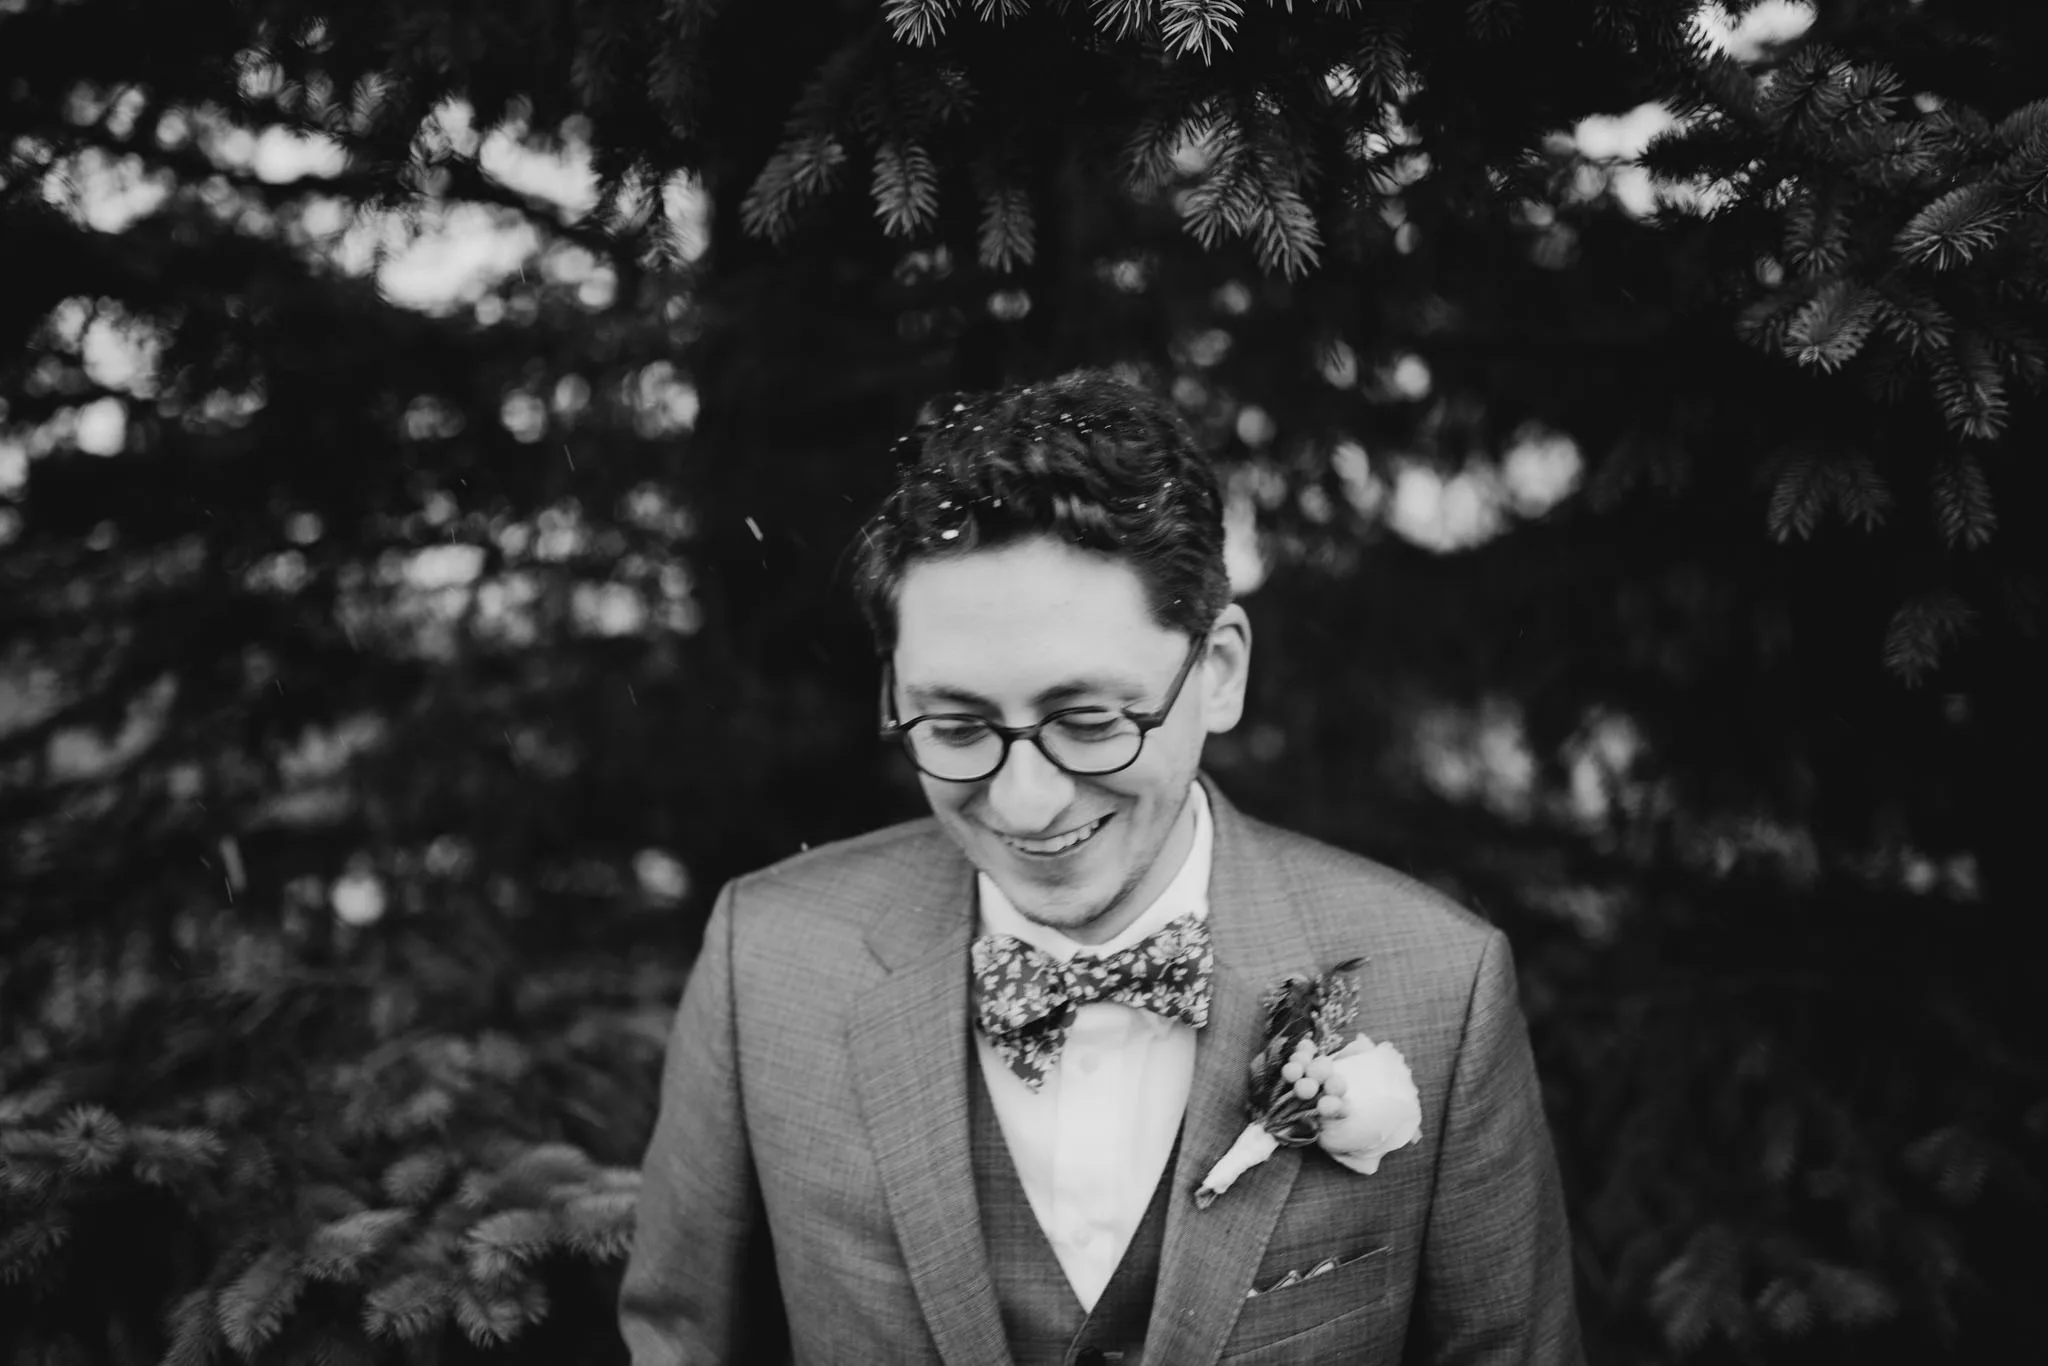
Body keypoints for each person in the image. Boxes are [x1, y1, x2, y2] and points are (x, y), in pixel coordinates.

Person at [619, 369, 1584, 1365]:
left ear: (1215, 673)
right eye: (954, 726)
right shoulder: (766, 960)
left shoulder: (1440, 984)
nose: (1025, 800)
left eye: (1088, 722)